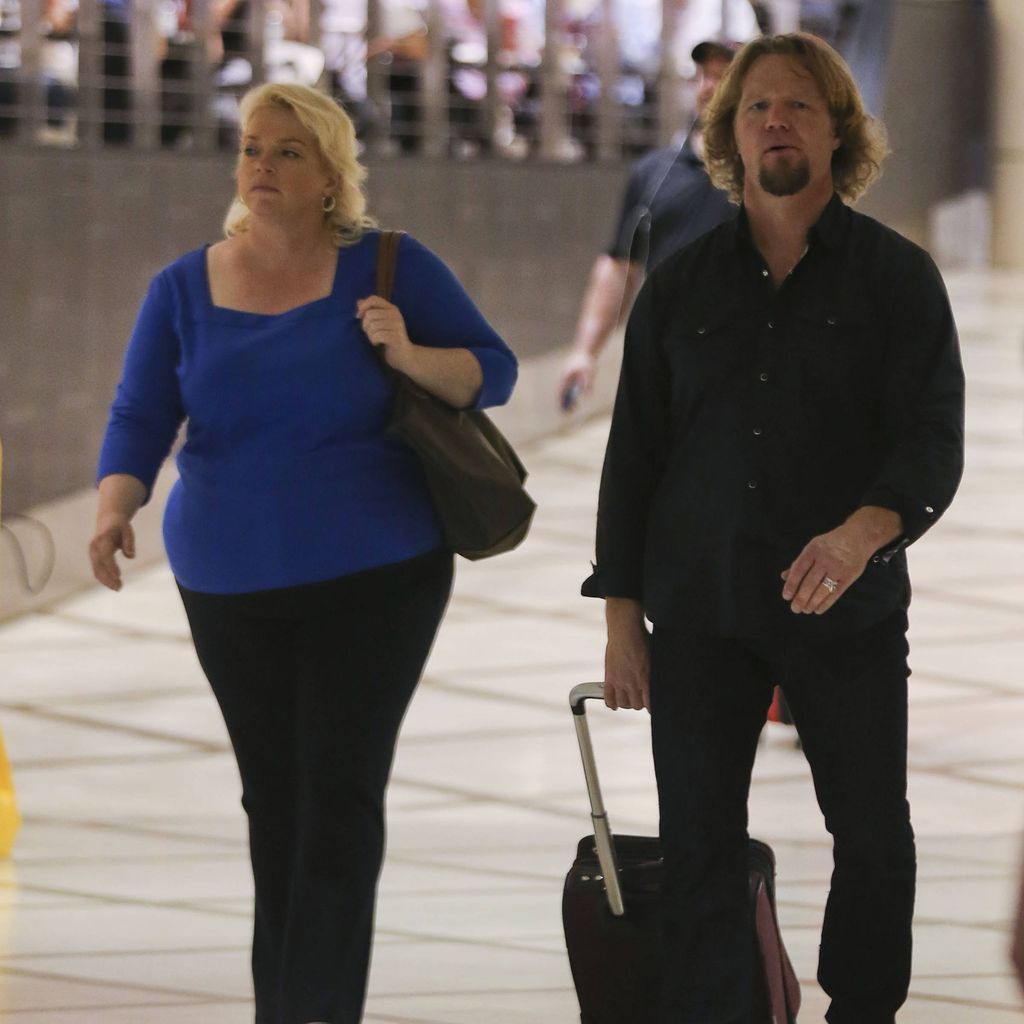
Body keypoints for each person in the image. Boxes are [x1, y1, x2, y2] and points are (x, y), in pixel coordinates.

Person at [89, 82, 517, 1024]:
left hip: (377, 575)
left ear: (330, 173)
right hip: (227, 581)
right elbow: (139, 412)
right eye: (251, 148)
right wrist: (115, 507)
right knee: (275, 803)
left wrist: (407, 354)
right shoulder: (182, 286)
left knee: (337, 797)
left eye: (287, 151)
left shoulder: (391, 267)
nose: (263, 167)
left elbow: (495, 370)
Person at [585, 32, 964, 1024]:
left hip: (847, 606)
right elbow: (633, 459)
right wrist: (621, 613)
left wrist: (861, 532)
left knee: (874, 836)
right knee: (698, 844)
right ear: (730, 134)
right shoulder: (679, 285)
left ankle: (861, 1011)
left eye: (796, 104)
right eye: (755, 107)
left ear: (836, 132)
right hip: (701, 604)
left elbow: (932, 439)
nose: (774, 121)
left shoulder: (896, 280)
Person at [557, 39, 739, 411]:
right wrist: (585, 352)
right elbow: (620, 266)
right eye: (703, 75)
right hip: (664, 371)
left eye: (723, 77)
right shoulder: (655, 172)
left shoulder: (769, 177)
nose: (708, 86)